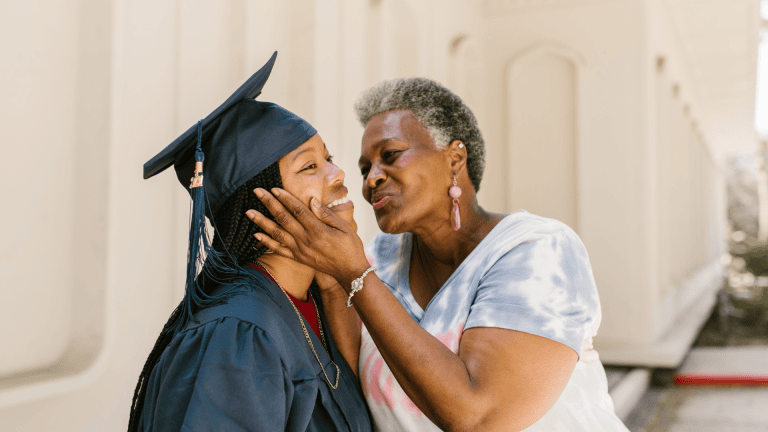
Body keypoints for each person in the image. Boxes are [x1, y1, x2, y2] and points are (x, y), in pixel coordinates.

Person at [246, 77, 630, 431]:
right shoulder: (378, 259)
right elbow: (353, 391)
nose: (370, 179)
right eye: (365, 168)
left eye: (391, 155)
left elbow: (478, 416)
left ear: (454, 158)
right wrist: (330, 280)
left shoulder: (535, 250)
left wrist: (352, 274)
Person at [128, 52, 372, 432]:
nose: (339, 174)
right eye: (310, 166)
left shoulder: (314, 303)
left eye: (329, 158)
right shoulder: (236, 336)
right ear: (260, 203)